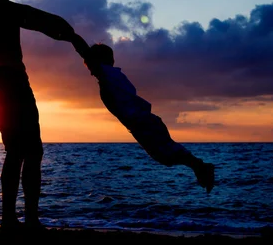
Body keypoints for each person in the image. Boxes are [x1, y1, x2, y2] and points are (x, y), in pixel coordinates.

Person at [0, 0, 87, 231]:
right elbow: (27, 16)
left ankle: (30, 218)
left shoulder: (4, 6)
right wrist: (60, 26)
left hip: (16, 81)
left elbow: (31, 18)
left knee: (33, 151)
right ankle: (10, 220)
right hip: (4, 81)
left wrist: (64, 33)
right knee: (17, 151)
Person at [80, 42, 215, 193]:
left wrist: (71, 37)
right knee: (166, 155)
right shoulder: (116, 77)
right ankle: (200, 166)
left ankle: (201, 167)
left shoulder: (108, 75)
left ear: (98, 61)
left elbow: (86, 52)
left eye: (90, 67)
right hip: (146, 122)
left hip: (143, 123)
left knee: (166, 156)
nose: (91, 73)